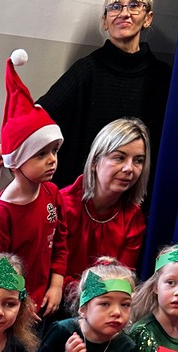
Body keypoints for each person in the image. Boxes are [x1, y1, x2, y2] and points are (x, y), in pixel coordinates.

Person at [36, 1, 170, 194]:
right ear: (105, 21)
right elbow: (40, 115)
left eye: (134, 5)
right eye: (115, 6)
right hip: (87, 196)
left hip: (138, 196)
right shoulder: (86, 70)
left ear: (147, 18)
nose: (124, 13)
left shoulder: (163, 77)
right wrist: (13, 148)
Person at [0, 53, 68, 317]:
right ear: (16, 162)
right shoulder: (3, 213)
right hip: (12, 309)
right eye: (41, 154)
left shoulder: (52, 193)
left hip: (45, 300)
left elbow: (61, 241)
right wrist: (17, 303)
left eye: (54, 151)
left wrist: (56, 283)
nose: (52, 160)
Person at [61, 118, 150, 286]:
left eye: (138, 160)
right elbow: (48, 271)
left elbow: (121, 280)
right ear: (95, 162)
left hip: (107, 299)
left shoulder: (133, 217)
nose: (129, 168)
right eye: (119, 158)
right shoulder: (62, 205)